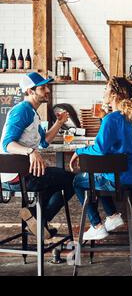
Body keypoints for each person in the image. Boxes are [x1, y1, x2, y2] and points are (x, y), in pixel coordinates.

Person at [0, 72, 75, 239]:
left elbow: (44, 142)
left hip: (25, 173)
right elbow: (7, 143)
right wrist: (30, 151)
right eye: (42, 88)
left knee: (58, 180)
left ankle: (36, 217)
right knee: (71, 181)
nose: (47, 90)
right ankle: (40, 219)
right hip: (17, 176)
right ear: (30, 91)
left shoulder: (33, 113)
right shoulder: (21, 111)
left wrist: (59, 123)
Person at [69, 77, 132, 240]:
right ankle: (112, 216)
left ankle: (97, 225)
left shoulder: (112, 119)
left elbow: (100, 149)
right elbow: (116, 139)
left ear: (115, 95)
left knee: (78, 182)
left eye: (106, 88)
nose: (103, 92)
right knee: (95, 177)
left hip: (118, 179)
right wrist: (104, 118)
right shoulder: (129, 117)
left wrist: (79, 151)